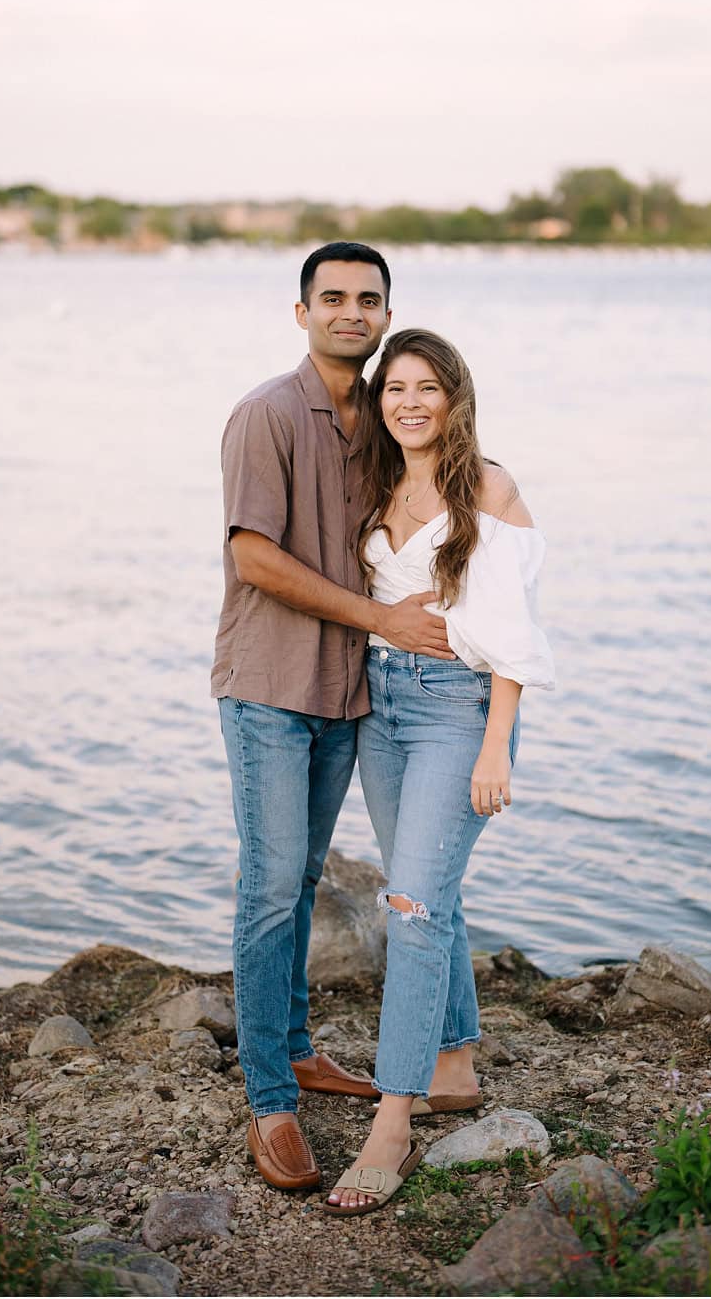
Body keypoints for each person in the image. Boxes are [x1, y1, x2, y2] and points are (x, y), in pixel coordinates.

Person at [212, 243, 457, 1194]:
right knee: (271, 888)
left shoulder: (382, 419)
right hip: (271, 687)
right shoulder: (267, 413)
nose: (352, 311)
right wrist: (385, 621)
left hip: (347, 691)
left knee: (305, 877)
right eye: (335, 297)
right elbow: (253, 560)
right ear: (302, 310)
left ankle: (302, 1048)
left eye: (370, 298)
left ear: (386, 310)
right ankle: (271, 1102)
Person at [321, 329, 554, 1214]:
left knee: (411, 909)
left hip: (461, 709)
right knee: (427, 893)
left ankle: (393, 1121)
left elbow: (514, 632)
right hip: (385, 705)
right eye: (395, 388)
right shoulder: (378, 481)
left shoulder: (487, 486)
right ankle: (453, 1064)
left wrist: (497, 744)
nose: (409, 402)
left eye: (427, 388)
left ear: (455, 398)